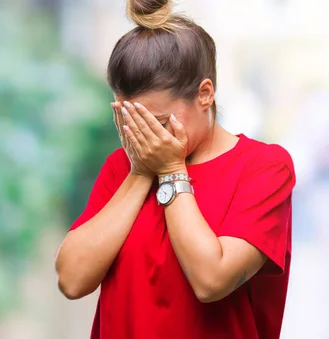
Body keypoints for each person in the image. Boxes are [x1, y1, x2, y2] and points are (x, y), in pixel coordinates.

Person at [53, 1, 296, 338]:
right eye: (129, 121)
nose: (142, 136)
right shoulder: (121, 167)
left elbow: (211, 280)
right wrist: (140, 173)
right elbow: (72, 279)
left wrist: (170, 170)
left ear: (205, 94)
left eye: (158, 122)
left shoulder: (264, 168)